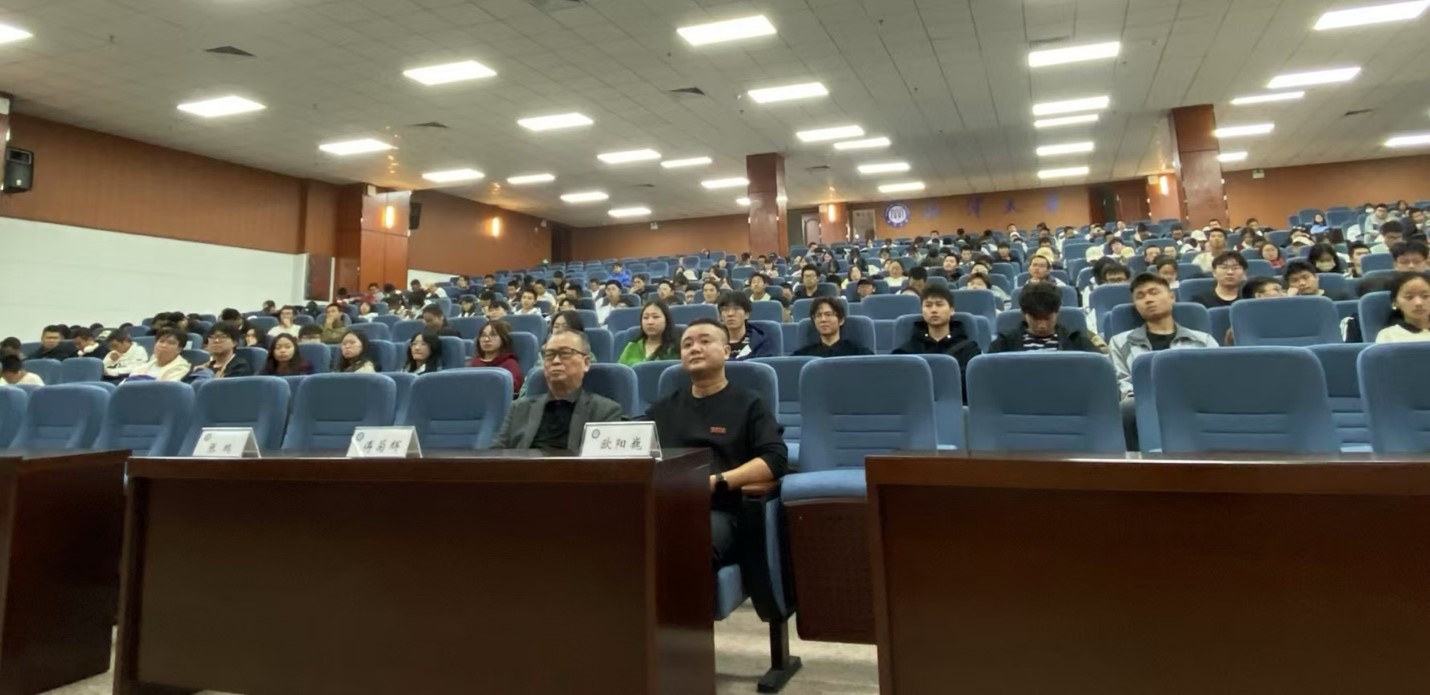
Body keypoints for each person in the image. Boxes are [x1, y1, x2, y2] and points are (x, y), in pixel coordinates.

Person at [645, 319, 788, 568]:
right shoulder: (663, 408)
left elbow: (774, 458)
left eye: (705, 341)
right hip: (665, 505)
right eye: (687, 344)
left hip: (719, 510)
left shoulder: (749, 403)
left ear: (726, 351)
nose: (695, 348)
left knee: (684, 542)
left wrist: (716, 482)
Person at [1108, 273, 1219, 449]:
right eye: (1140, 296)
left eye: (1154, 292)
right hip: (1143, 406)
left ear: (1172, 297)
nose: (1148, 299)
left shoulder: (1202, 340)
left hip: (1194, 404)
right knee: (1127, 408)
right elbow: (1123, 383)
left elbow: (1215, 379)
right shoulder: (1120, 342)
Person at [490, 330, 624, 451]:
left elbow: (605, 465)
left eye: (565, 353)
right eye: (549, 355)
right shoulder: (519, 409)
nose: (555, 361)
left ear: (586, 363)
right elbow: (495, 457)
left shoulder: (605, 412)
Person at [893, 285, 981, 378]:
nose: (934, 310)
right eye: (928, 305)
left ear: (952, 310)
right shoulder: (908, 350)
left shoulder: (968, 349)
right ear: (921, 311)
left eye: (939, 305)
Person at [992, 282, 1098, 353]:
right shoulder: (1004, 344)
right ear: (1024, 314)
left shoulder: (1076, 342)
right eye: (1035, 319)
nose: (1042, 326)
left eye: (1047, 318)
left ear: (1057, 313)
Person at [793, 297, 873, 357]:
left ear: (841, 320)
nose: (823, 319)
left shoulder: (859, 353)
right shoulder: (803, 355)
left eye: (828, 314)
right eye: (819, 315)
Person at [717, 291, 776, 360]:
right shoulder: (713, 342)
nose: (730, 314)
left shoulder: (760, 343)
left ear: (747, 314)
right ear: (720, 316)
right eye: (725, 310)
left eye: (736, 309)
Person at [471, 320, 524, 396]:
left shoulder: (510, 363)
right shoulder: (474, 363)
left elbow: (512, 389)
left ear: (503, 338)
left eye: (493, 335)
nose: (486, 340)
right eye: (483, 335)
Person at [618, 300, 679, 365]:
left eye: (655, 317)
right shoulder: (632, 347)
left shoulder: (676, 348)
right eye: (645, 318)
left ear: (666, 320)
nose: (650, 322)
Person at [1375, 272, 1430, 343]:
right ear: (1395, 302)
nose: (1418, 303)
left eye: (1425, 296)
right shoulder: (1388, 335)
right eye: (1409, 297)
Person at [1284, 259, 1352, 300]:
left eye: (1306, 277)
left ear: (1316, 277)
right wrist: (1289, 299)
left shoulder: (1339, 297)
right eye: (1295, 280)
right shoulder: (1290, 302)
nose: (1302, 283)